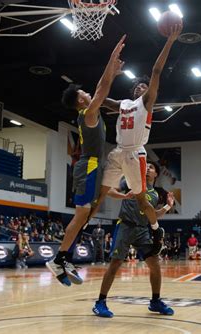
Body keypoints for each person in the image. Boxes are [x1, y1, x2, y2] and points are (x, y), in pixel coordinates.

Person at [45, 35, 126, 286]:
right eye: (85, 92)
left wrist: (113, 73)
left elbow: (103, 90)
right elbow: (102, 89)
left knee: (85, 216)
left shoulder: (92, 112)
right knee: (81, 216)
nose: (89, 93)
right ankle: (58, 259)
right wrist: (110, 63)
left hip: (92, 166)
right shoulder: (88, 113)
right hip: (88, 166)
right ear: (81, 100)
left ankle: (63, 257)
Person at [98, 23, 183, 250]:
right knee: (102, 192)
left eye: (144, 87)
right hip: (119, 151)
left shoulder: (147, 103)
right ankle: (84, 224)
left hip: (137, 151)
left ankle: (156, 231)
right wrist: (92, 97)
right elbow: (102, 98)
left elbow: (156, 71)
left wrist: (170, 41)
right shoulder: (124, 104)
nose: (140, 88)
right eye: (138, 86)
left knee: (142, 200)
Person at [93, 162, 175, 318]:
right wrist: (122, 196)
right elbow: (109, 190)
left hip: (142, 230)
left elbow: (152, 214)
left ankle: (155, 301)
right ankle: (100, 302)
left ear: (156, 174)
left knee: (155, 265)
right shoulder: (130, 181)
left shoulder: (155, 195)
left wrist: (167, 207)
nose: (148, 168)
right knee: (115, 263)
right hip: (125, 226)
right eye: (147, 166)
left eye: (151, 167)